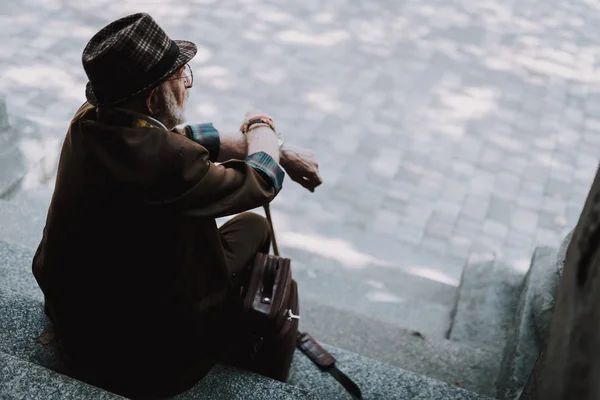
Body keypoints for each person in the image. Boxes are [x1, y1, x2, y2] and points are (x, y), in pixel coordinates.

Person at [31, 13, 322, 399]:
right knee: (254, 227)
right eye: (182, 78)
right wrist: (261, 126)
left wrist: (277, 151)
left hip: (75, 314)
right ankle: (226, 330)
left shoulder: (89, 120)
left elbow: (168, 140)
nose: (187, 85)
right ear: (153, 98)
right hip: (146, 359)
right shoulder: (168, 163)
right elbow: (260, 182)